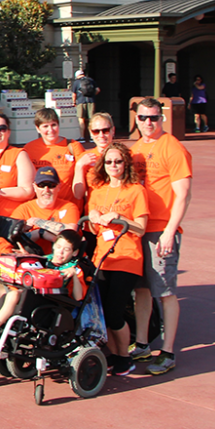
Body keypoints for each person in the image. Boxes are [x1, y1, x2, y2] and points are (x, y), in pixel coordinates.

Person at [129, 97, 192, 375]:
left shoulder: (173, 148)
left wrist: (169, 231)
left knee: (164, 290)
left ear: (162, 118)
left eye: (153, 117)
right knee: (142, 289)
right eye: (143, 118)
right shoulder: (137, 148)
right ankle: (142, 343)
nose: (148, 123)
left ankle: (167, 352)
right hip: (139, 228)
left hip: (161, 230)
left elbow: (183, 194)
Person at [87, 142, 150, 377]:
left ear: (126, 164)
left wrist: (121, 217)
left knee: (115, 312)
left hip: (126, 257)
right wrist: (93, 217)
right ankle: (113, 355)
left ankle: (125, 356)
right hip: (102, 259)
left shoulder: (136, 190)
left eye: (118, 161)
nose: (114, 166)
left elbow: (141, 228)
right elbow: (93, 228)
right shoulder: (97, 190)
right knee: (102, 313)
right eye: (109, 161)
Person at [0, 231, 88, 346]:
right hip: (20, 290)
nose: (60, 252)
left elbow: (78, 297)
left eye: (66, 250)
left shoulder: (74, 269)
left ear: (74, 252)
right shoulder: (43, 260)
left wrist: (75, 276)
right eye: (59, 247)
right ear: (54, 245)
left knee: (13, 294)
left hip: (41, 300)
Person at [22, 108, 85, 207]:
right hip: (42, 208)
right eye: (45, 126)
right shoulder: (29, 149)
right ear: (38, 128)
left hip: (69, 206)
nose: (50, 130)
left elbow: (84, 177)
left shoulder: (73, 146)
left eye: (54, 125)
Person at [12, 166, 80, 254]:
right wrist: (39, 233)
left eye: (51, 186)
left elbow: (71, 232)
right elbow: (11, 236)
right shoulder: (24, 209)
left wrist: (36, 221)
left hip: (61, 260)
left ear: (59, 187)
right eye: (41, 185)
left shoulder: (69, 207)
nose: (46, 190)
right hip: (32, 259)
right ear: (34, 187)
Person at [73, 112, 116, 203]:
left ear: (113, 131)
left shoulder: (122, 155)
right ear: (90, 133)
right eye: (96, 131)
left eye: (105, 130)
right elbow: (78, 194)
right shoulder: (85, 158)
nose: (101, 135)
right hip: (94, 210)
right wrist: (79, 166)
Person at [69, 69, 99, 141]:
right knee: (91, 120)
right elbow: (98, 90)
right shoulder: (91, 80)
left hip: (81, 101)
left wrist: (74, 102)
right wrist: (93, 95)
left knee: (81, 119)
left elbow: (74, 94)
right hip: (91, 101)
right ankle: (92, 136)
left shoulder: (76, 82)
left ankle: (82, 137)